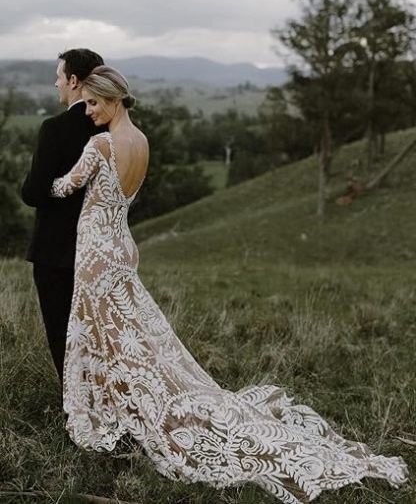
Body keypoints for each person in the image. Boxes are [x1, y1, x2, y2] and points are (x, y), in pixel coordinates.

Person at [49, 65, 407, 503]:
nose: (88, 111)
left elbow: (65, 188)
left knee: (99, 332)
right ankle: (129, 400)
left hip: (96, 250)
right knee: (129, 334)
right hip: (123, 246)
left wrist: (48, 179)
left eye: (93, 103)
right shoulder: (140, 142)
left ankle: (116, 409)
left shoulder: (101, 144)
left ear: (114, 99)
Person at [21, 48, 106, 383]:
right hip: (99, 250)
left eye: (58, 77)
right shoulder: (111, 128)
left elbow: (33, 193)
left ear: (73, 81)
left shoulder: (54, 128)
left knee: (62, 334)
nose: (55, 83)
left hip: (55, 252)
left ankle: (74, 401)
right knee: (99, 336)